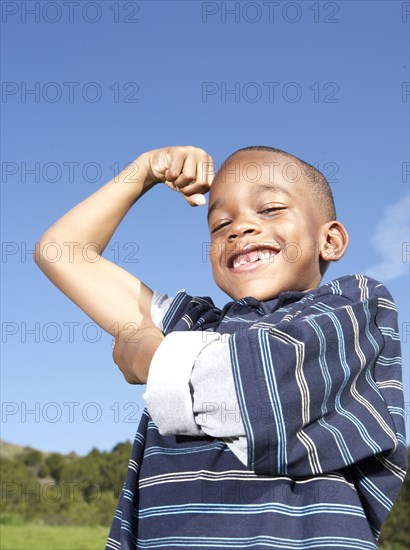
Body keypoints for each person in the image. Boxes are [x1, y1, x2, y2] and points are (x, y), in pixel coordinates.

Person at [35, 145, 407, 550]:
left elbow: (259, 391)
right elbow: (62, 252)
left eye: (270, 209)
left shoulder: (353, 309)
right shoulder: (194, 326)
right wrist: (143, 172)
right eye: (220, 223)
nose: (240, 227)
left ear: (330, 240)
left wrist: (148, 353)